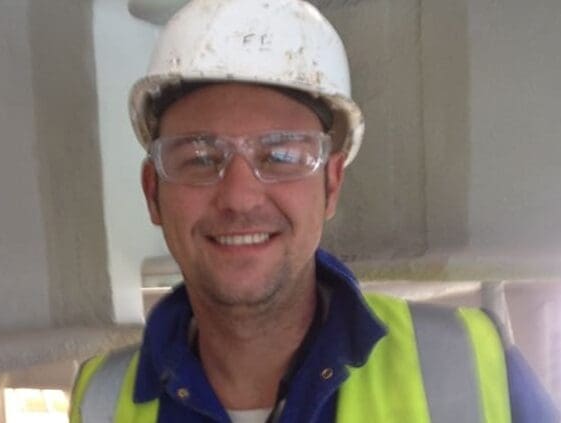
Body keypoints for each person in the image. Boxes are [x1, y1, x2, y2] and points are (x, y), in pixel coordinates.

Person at [70, 0, 559, 421]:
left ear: (331, 183)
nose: (239, 197)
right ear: (153, 191)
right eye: (200, 158)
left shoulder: (469, 371)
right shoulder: (98, 401)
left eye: (281, 156)